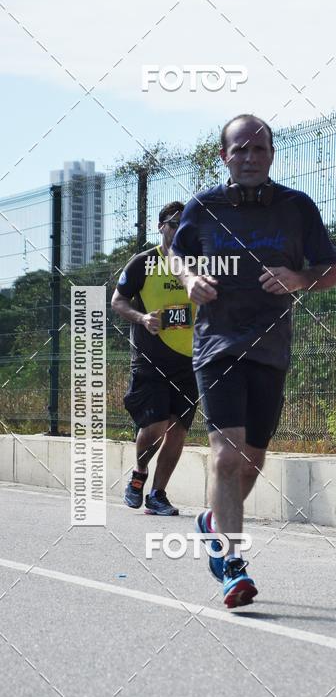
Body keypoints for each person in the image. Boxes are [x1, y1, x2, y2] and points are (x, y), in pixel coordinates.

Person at [170, 114, 336, 608]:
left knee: (252, 461)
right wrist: (189, 280)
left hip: (270, 348)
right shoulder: (204, 207)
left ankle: (212, 521)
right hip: (217, 345)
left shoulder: (297, 207)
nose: (249, 157)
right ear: (224, 156)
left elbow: (331, 271)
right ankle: (232, 565)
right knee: (227, 455)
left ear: (271, 154)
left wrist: (299, 278)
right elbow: (177, 255)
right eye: (239, 149)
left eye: (258, 149)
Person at [112, 201, 198, 516]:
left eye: (185, 225)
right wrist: (142, 317)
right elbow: (118, 301)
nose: (179, 230)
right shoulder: (144, 263)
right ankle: (139, 473)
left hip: (190, 361)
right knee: (156, 426)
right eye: (174, 224)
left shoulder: (200, 264)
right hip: (151, 359)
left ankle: (158, 495)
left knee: (178, 430)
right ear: (161, 226)